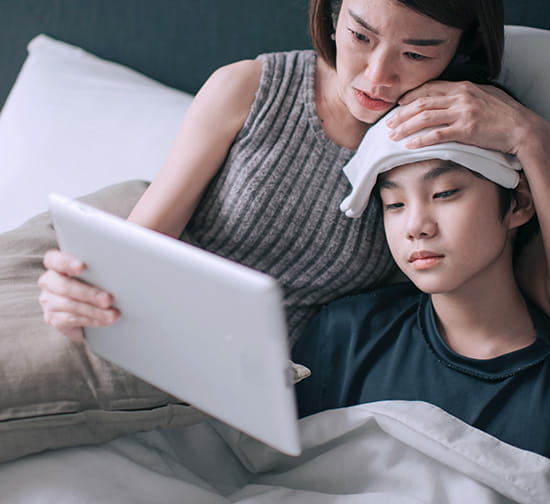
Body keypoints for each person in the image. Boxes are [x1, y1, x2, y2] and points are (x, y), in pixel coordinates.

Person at [38, 0, 550, 348]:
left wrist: (533, 138)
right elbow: (141, 248)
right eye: (359, 35)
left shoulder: (458, 140)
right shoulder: (247, 88)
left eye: (416, 53)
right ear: (330, 14)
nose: (377, 76)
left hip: (271, 377)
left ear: (461, 49)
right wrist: (86, 293)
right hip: (152, 311)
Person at [292, 109, 550, 457]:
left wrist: (530, 137)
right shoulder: (347, 336)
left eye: (444, 193)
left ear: (517, 203)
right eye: (394, 204)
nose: (416, 226)